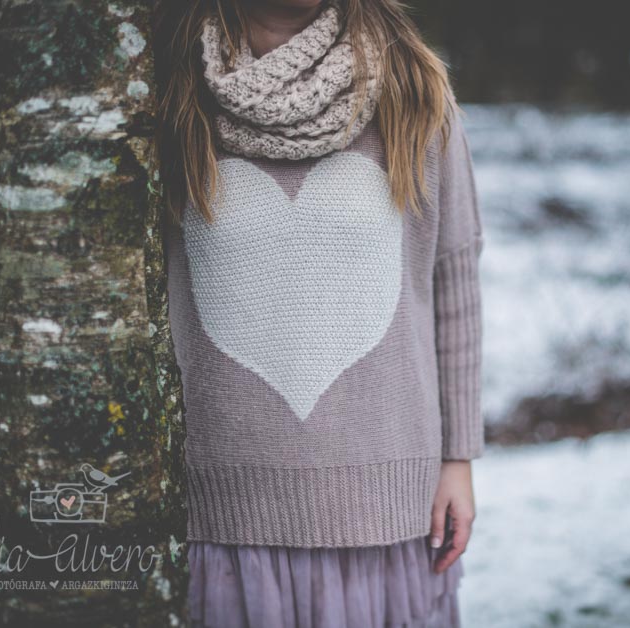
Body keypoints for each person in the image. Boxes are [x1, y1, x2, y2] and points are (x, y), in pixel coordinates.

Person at [153, 0, 484, 625]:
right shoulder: (167, 90)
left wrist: (458, 460)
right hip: (220, 521)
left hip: (386, 520)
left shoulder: (414, 89)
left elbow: (454, 278)